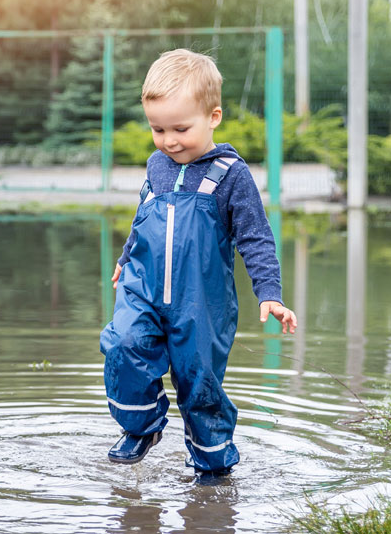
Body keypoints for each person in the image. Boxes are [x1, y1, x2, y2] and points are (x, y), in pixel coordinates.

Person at [99, 48, 298, 476]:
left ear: (214, 117)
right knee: (123, 344)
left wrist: (270, 293)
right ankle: (142, 426)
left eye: (180, 129)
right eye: (158, 129)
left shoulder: (230, 175)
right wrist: (125, 257)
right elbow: (143, 216)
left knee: (200, 382)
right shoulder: (157, 165)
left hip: (201, 305)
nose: (169, 141)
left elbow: (256, 237)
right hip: (144, 290)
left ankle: (212, 466)